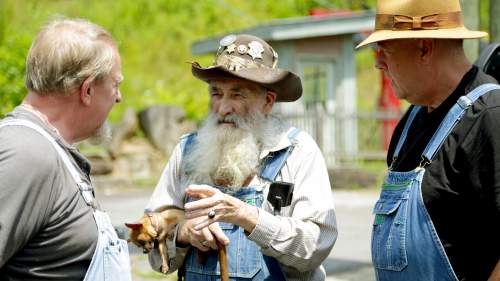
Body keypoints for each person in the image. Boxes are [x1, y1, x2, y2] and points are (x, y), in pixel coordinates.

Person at [145, 34, 337, 280]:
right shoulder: (187, 150)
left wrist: (248, 217)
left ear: (267, 102)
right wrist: (183, 233)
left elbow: (316, 246)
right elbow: (150, 236)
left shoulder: (297, 151)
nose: (223, 108)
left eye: (237, 95)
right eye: (216, 93)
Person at [356, 0, 500, 280]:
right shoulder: (410, 122)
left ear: (424, 47)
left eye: (384, 50)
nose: (378, 63)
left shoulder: (490, 118)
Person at [0, 19, 132, 280]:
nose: (119, 97)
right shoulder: (27, 155)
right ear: (88, 90)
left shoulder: (48, 149)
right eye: (115, 85)